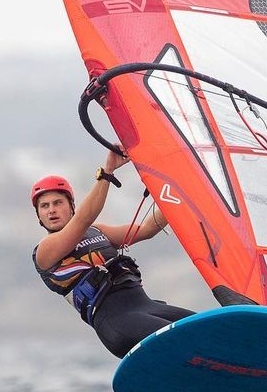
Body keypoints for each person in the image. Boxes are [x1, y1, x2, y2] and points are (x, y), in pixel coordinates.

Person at [31, 148, 195, 358]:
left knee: (213, 330)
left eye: (57, 203)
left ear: (71, 206)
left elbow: (146, 229)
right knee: (187, 337)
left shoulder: (98, 231)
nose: (51, 210)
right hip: (117, 324)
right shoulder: (44, 252)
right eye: (44, 206)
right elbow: (83, 220)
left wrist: (180, 187)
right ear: (39, 216)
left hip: (148, 307)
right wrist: (107, 171)